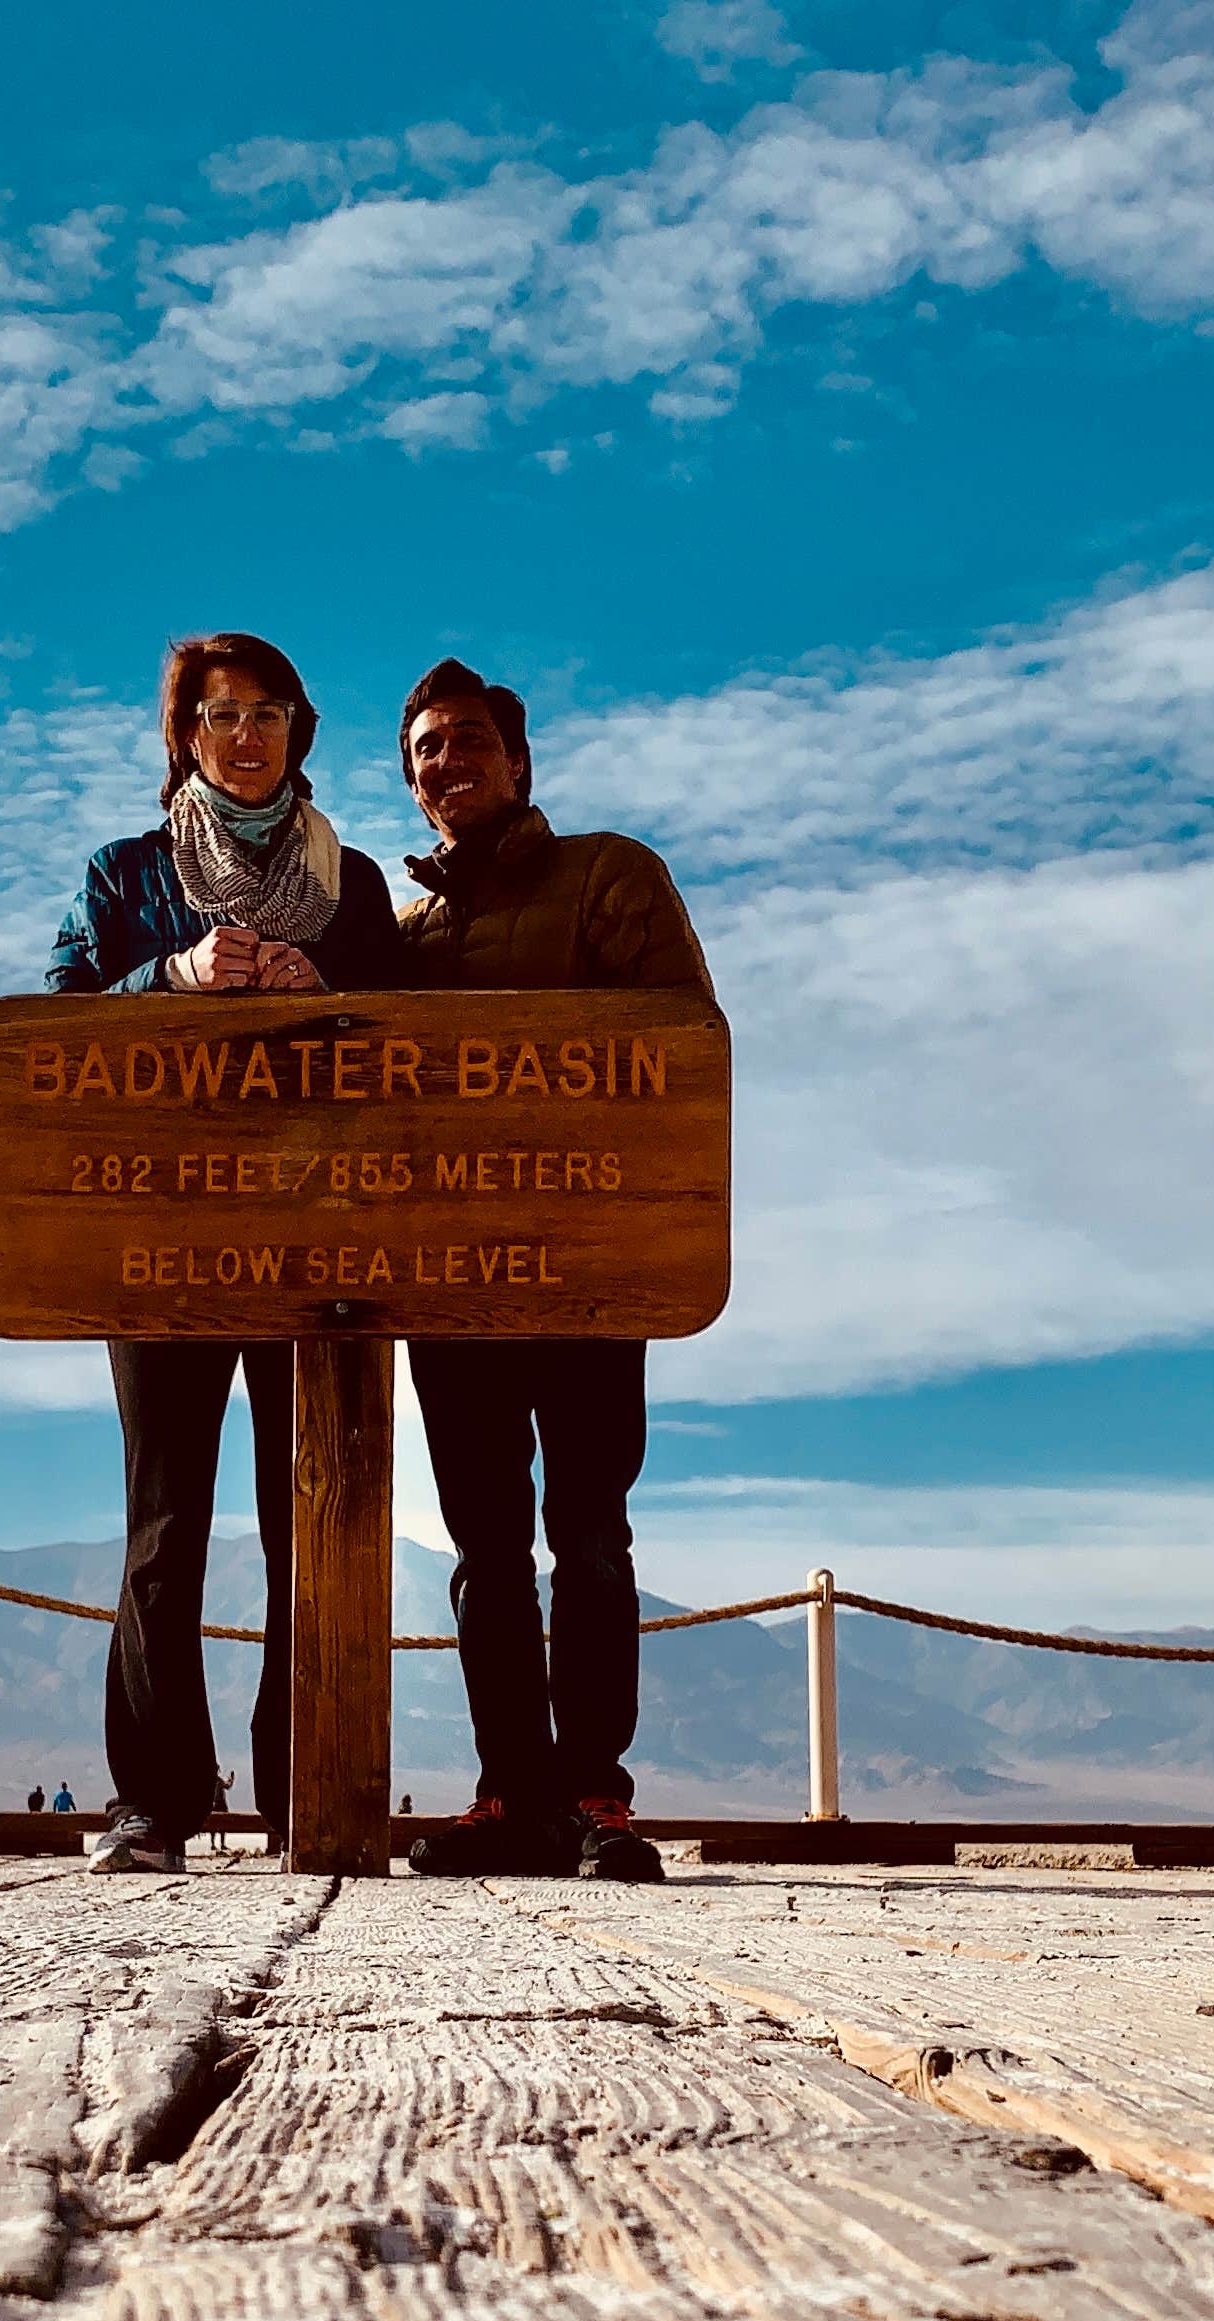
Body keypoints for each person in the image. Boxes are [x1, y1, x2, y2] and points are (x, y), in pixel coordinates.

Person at [49, 631, 402, 1875]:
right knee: (164, 1524)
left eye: (266, 711)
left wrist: (330, 996)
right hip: (163, 1241)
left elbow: (408, 1054)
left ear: (301, 729)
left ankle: (308, 1786)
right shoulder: (125, 875)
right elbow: (54, 1035)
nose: (244, 734)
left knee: (311, 1515)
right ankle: (152, 1799)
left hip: (318, 1246)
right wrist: (170, 974)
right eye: (217, 714)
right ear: (184, 737)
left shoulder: (354, 888)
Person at [390, 658, 710, 1885]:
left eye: (468, 740)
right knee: (482, 1546)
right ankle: (509, 1795)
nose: (446, 761)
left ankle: (593, 1794)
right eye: (425, 749)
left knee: (588, 1533)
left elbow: (677, 1048)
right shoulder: (406, 931)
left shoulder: (610, 877)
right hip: (450, 1280)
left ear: (519, 761)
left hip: (587, 1268)